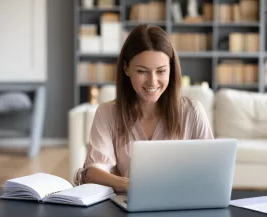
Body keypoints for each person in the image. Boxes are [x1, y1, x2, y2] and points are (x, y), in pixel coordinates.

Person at [73, 24, 214, 192]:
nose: (152, 82)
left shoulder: (193, 112)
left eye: (161, 71)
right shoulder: (107, 113)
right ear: (126, 68)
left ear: (171, 70)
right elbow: (93, 173)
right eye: (142, 71)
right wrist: (130, 185)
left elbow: (211, 170)